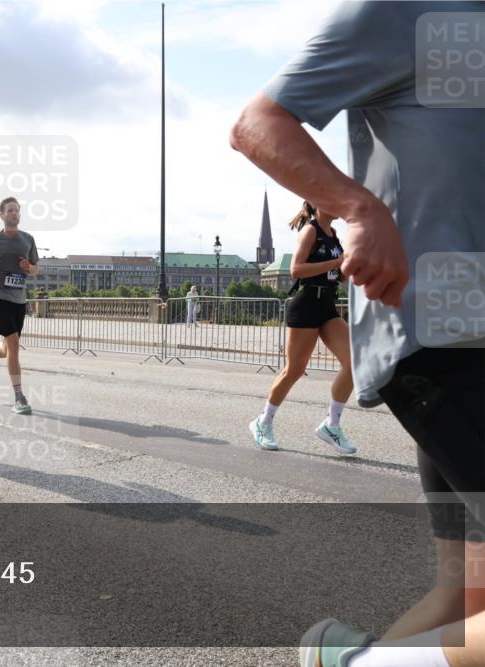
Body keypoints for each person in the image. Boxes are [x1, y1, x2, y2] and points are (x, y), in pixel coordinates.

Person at [230, 2, 484, 666]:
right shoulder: (407, 10)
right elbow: (257, 123)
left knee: (466, 597)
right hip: (442, 339)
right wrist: (357, 208)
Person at [248, 201, 356, 455]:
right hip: (306, 304)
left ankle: (332, 424)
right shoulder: (311, 230)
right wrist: (336, 262)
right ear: (320, 203)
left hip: (327, 306)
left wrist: (348, 265)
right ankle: (262, 422)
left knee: (355, 362)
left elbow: (338, 275)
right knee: (294, 370)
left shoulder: (333, 235)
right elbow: (297, 269)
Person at [0, 196, 39, 415]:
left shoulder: (28, 239)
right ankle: (19, 397)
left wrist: (28, 266)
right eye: (10, 210)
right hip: (0, 298)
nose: (15, 213)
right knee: (13, 345)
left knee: (9, 347)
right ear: (1, 214)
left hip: (19, 299)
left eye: (17, 210)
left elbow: (35, 269)